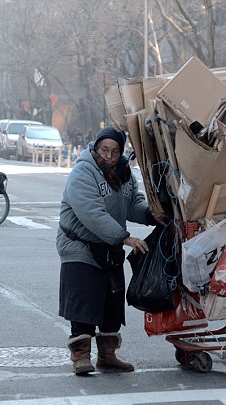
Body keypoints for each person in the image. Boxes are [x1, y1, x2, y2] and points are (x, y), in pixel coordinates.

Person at [57, 126, 161, 376]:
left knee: (111, 303)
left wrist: (151, 215)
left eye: (115, 151)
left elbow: (132, 203)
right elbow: (91, 212)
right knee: (84, 302)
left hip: (108, 248)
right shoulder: (84, 171)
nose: (109, 156)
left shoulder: (124, 174)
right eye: (104, 150)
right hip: (80, 245)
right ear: (95, 148)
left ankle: (107, 355)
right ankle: (81, 356)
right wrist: (124, 237)